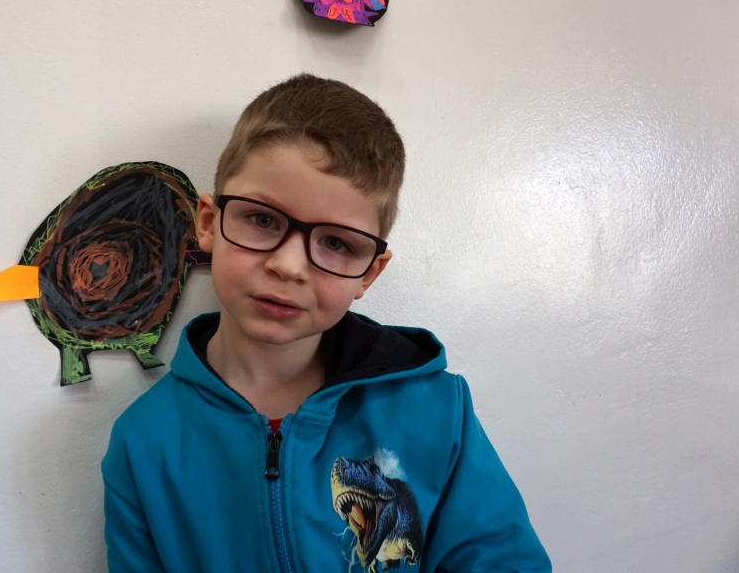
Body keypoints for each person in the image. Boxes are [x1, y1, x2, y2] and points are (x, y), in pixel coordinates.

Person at [101, 74, 550, 572]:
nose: (289, 266)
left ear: (369, 273)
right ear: (208, 223)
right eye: (262, 219)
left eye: (336, 243)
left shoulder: (437, 410)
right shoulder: (143, 442)